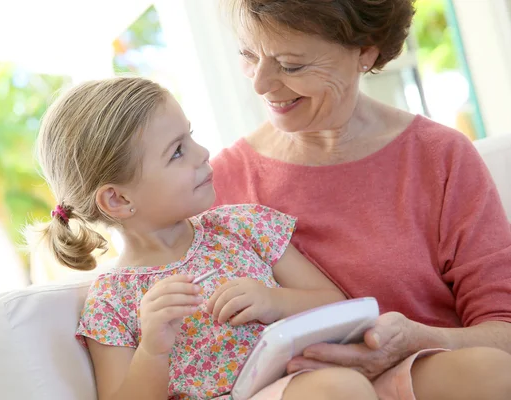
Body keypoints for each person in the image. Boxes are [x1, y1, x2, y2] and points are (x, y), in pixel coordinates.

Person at [210, 0, 511, 399]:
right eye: (249, 55)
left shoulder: (440, 157)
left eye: (291, 65)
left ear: (365, 52)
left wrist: (415, 340)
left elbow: (503, 331)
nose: (260, 83)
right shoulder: (218, 182)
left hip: (433, 380)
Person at [31, 77, 379, 399]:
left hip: (294, 385)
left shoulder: (242, 227)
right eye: (177, 151)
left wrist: (275, 301)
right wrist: (153, 348)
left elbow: (336, 303)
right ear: (118, 199)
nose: (202, 153)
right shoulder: (112, 300)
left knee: (350, 385)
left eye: (191, 136)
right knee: (339, 389)